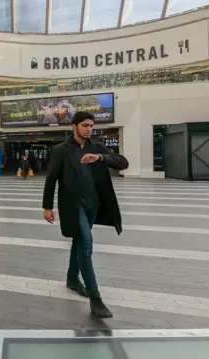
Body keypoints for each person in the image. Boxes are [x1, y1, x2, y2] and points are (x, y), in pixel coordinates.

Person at [42, 111, 129, 319]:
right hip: (72, 206)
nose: (89, 129)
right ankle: (95, 298)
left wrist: (99, 157)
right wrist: (47, 207)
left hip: (93, 205)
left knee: (80, 241)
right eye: (85, 125)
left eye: (91, 125)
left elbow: (122, 162)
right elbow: (51, 178)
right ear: (74, 126)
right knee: (86, 243)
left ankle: (73, 278)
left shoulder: (96, 147)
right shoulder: (61, 150)